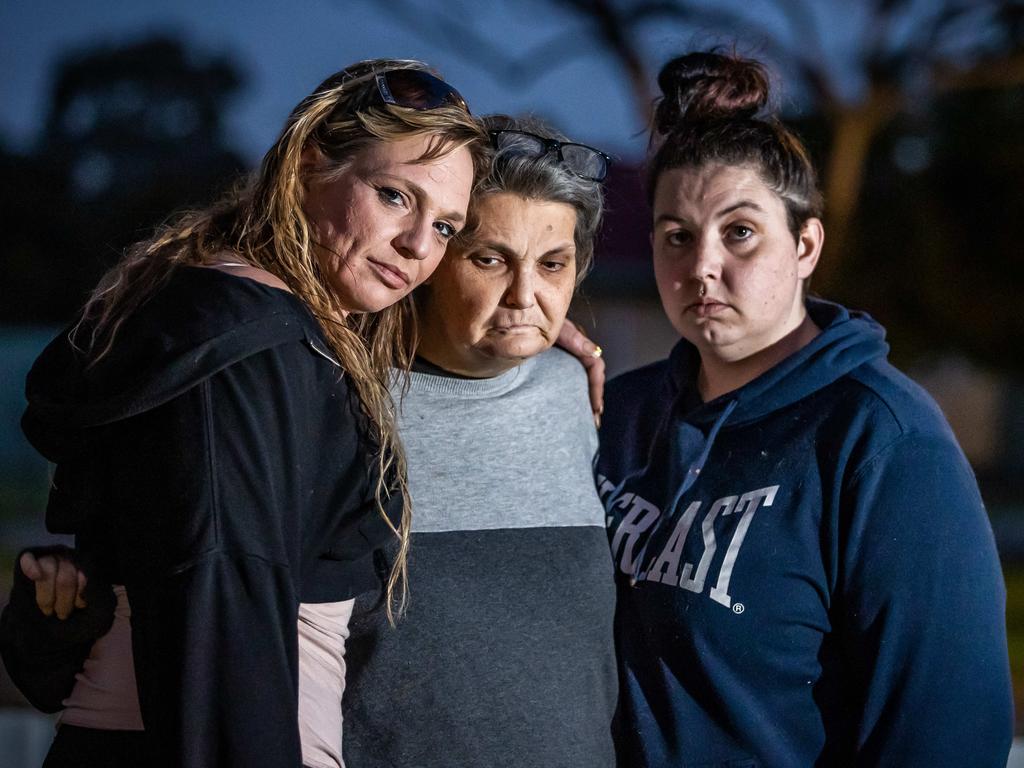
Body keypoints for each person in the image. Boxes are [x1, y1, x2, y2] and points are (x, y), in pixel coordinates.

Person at [0, 58, 487, 768]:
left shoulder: (246, 326)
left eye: (446, 227)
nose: (418, 247)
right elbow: (223, 609)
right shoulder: (250, 353)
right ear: (309, 165)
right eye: (393, 196)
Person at [597, 51, 1014, 767]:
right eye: (676, 236)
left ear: (806, 244)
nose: (700, 264)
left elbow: (947, 730)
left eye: (739, 232)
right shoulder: (619, 413)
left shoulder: (883, 441)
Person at [341, 116, 617, 767]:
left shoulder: (576, 392)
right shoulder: (340, 398)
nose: (526, 295)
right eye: (490, 260)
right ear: (433, 259)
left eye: (553, 264)